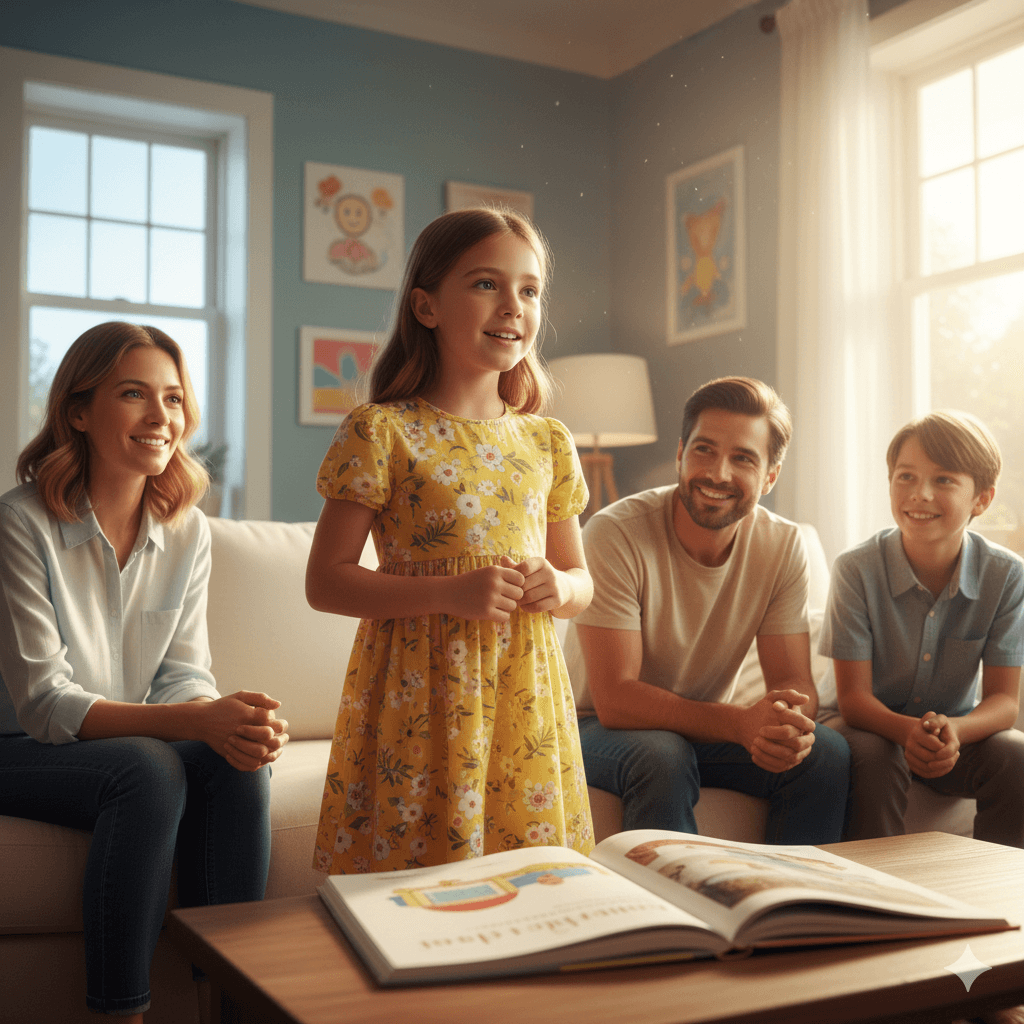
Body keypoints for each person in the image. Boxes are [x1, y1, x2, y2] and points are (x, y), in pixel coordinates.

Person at [0, 322, 289, 1021]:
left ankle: (231, 1002)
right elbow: (44, 704)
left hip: (127, 743)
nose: (162, 417)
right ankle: (119, 1013)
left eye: (172, 397)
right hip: (21, 749)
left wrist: (229, 719)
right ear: (78, 410)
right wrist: (194, 719)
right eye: (134, 394)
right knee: (149, 770)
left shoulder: (186, 529)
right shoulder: (20, 524)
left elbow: (183, 672)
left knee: (238, 761)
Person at [306, 208, 595, 874]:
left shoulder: (547, 441)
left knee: (529, 879)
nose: (514, 306)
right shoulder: (380, 431)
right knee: (417, 879)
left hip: (524, 696)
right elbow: (325, 581)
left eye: (529, 290)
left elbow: (580, 580)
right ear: (427, 306)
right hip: (418, 695)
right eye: (486, 284)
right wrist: (449, 592)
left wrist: (563, 587)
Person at [564, 376, 849, 844]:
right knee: (661, 754)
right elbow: (615, 699)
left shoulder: (783, 545)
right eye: (704, 450)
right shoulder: (615, 532)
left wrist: (787, 722)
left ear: (770, 475)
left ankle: (793, 907)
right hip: (592, 726)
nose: (717, 473)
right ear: (680, 453)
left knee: (826, 752)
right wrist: (739, 724)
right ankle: (667, 909)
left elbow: (792, 678)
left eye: (742, 458)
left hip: (699, 726)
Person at [818, 410, 1024, 848]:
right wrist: (907, 732)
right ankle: (881, 895)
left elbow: (1004, 702)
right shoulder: (856, 569)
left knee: (1014, 752)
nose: (920, 494)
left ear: (981, 499)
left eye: (944, 480)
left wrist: (954, 732)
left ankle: (1000, 895)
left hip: (948, 732)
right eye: (905, 477)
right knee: (877, 754)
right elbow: (854, 700)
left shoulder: (1006, 576)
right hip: (863, 726)